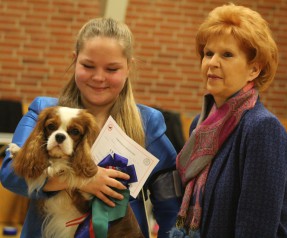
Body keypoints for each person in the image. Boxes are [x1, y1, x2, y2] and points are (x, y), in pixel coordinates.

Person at [0, 17, 181, 238]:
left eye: (112, 69)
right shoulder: (44, 110)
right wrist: (83, 180)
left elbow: (171, 204)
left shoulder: (148, 123)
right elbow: (10, 174)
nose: (98, 77)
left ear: (128, 67)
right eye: (88, 65)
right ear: (74, 60)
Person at [170, 3, 287, 238]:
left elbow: (255, 230)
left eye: (227, 55)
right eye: (208, 53)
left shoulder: (262, 128)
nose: (212, 63)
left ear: (254, 70)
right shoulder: (201, 123)